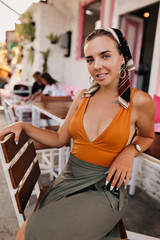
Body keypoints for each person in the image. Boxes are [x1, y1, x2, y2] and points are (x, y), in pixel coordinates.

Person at [0, 28, 155, 240]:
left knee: (32, 231)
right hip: (68, 181)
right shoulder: (83, 97)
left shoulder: (140, 102)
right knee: (35, 230)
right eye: (90, 59)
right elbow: (59, 139)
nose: (97, 65)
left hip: (105, 188)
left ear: (122, 57)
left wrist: (130, 151)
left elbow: (147, 136)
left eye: (105, 55)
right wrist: (24, 126)